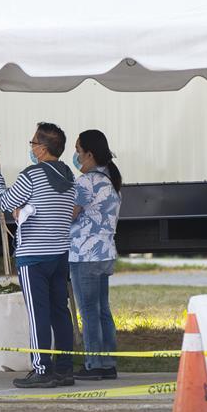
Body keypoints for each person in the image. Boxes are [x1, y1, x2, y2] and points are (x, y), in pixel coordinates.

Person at [0, 122, 76, 388]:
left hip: (33, 257)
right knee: (60, 311)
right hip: (60, 253)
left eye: (33, 143)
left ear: (42, 149)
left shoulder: (32, 175)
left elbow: (5, 202)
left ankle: (42, 370)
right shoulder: (69, 175)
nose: (31, 148)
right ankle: (65, 369)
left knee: (38, 314)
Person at [68, 130, 123, 381]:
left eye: (78, 150)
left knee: (89, 311)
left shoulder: (86, 182)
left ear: (89, 154)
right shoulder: (111, 178)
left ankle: (93, 364)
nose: (76, 156)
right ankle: (108, 363)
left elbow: (70, 213)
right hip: (105, 253)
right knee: (102, 310)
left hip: (85, 254)